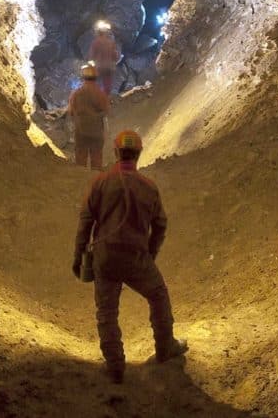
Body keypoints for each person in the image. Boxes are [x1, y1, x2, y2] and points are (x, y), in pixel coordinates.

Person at [73, 130, 188, 384]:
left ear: (115, 153)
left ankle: (115, 366)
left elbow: (85, 222)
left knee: (107, 311)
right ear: (138, 154)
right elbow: (160, 225)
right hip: (136, 256)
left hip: (105, 256)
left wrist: (78, 255)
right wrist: (150, 253)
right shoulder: (149, 187)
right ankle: (165, 347)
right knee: (158, 296)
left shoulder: (100, 182)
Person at [67, 64, 110, 170]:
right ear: (96, 77)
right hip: (96, 133)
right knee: (96, 158)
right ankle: (95, 181)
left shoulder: (76, 94)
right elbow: (106, 111)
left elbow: (71, 112)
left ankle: (81, 181)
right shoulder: (100, 94)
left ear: (83, 77)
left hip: (81, 132)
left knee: (80, 159)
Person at [89, 21, 120, 96]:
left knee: (95, 83)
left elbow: (91, 56)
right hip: (109, 67)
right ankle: (105, 99)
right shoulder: (111, 42)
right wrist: (114, 62)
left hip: (99, 67)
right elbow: (115, 56)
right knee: (107, 84)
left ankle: (95, 99)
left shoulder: (95, 42)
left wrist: (91, 65)